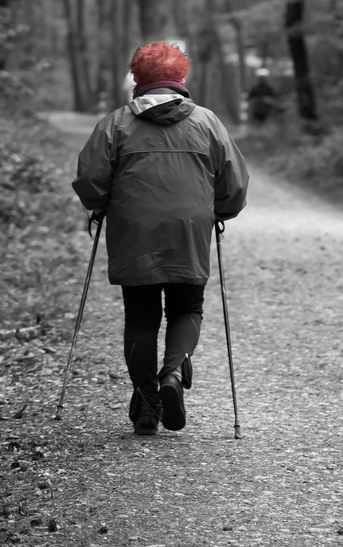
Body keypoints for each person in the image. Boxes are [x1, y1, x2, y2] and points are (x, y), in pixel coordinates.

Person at [73, 41, 249, 435]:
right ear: (182, 79)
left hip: (134, 231)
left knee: (141, 316)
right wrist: (218, 211)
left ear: (136, 79)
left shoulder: (115, 124)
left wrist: (100, 204)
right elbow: (234, 184)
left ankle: (147, 403)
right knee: (187, 309)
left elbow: (90, 180)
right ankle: (172, 372)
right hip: (190, 229)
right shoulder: (208, 123)